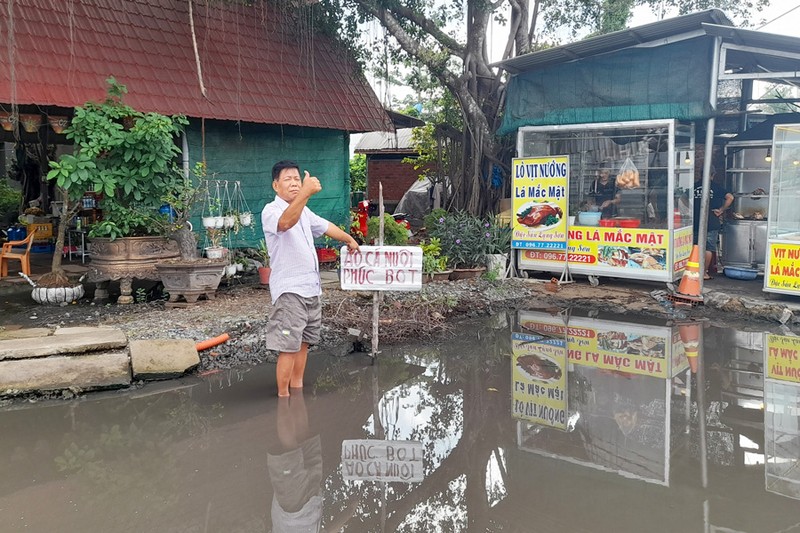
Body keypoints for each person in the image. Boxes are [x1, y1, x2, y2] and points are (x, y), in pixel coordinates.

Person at [262, 160, 359, 397]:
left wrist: (349, 239)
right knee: (288, 346)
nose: (294, 183)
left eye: (297, 179)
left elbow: (326, 227)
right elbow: (286, 223)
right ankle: (283, 399)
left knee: (304, 343)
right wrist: (305, 192)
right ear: (276, 185)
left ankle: (297, 389)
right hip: (290, 291)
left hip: (311, 289)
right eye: (288, 179)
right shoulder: (271, 211)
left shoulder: (304, 210)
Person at [693, 165, 733, 280]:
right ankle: (704, 273)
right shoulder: (716, 187)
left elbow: (683, 198)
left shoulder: (694, 186)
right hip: (711, 220)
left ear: (700, 174)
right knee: (708, 248)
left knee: (695, 247)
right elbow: (730, 197)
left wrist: (690, 210)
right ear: (713, 175)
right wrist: (721, 210)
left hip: (695, 220)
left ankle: (693, 271)